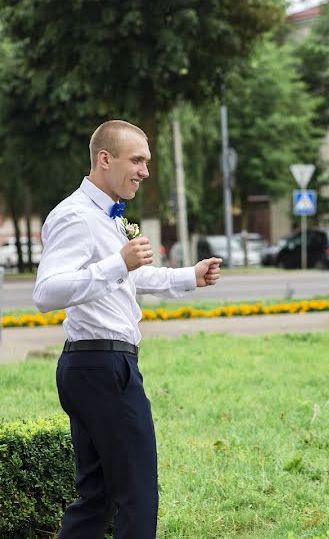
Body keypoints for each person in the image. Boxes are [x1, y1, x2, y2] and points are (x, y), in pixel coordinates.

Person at [33, 120, 222, 539]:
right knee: (137, 495)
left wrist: (189, 276)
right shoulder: (77, 217)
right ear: (104, 159)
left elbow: (130, 279)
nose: (145, 171)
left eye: (147, 163)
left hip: (97, 365)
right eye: (137, 160)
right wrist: (118, 262)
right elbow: (46, 292)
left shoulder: (109, 216)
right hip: (102, 365)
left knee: (97, 498)